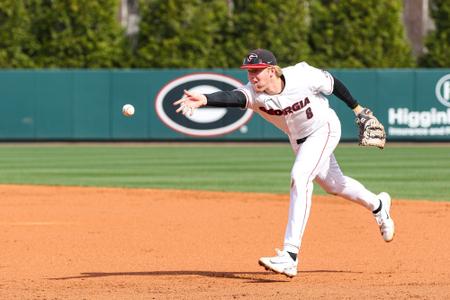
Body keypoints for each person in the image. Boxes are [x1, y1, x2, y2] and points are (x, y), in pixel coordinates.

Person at [173, 48, 394, 278]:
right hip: (299, 141)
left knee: (300, 177)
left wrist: (358, 110)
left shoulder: (302, 75)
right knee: (334, 185)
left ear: (271, 70)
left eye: (257, 71)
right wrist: (206, 99)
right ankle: (378, 205)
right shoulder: (254, 94)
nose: (252, 76)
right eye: (249, 71)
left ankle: (290, 255)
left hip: (324, 128)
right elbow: (233, 97)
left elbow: (333, 83)